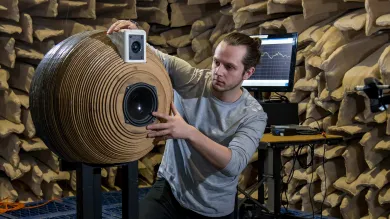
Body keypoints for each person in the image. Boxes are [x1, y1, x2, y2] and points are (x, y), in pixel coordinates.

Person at [107, 20, 267, 219]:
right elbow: (156, 58)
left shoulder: (253, 115)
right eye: (216, 62)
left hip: (212, 207)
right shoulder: (194, 79)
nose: (218, 72)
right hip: (170, 190)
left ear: (248, 73)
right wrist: (136, 34)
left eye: (229, 67)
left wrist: (189, 132)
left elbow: (233, 164)